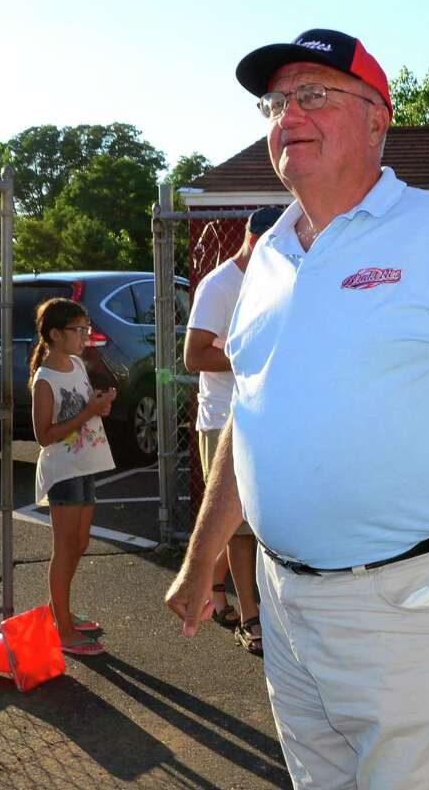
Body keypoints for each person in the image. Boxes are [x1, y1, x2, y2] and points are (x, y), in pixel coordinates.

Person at [165, 28, 429, 789]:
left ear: (376, 119)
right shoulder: (267, 259)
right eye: (277, 101)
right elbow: (249, 421)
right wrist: (203, 562)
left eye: (314, 95)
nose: (288, 114)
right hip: (286, 604)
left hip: (414, 606)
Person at [185, 207, 282, 656]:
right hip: (224, 418)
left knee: (257, 521)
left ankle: (217, 593)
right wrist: (253, 356)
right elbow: (194, 356)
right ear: (251, 237)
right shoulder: (220, 285)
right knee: (240, 526)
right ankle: (251, 618)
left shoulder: (279, 276)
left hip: (270, 417)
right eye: (271, 241)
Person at [30, 300, 116, 657]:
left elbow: (82, 410)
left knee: (79, 543)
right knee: (64, 548)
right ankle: (61, 628)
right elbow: (44, 435)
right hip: (63, 472)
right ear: (55, 334)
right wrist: (90, 412)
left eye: (86, 329)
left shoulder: (78, 365)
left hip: (85, 464)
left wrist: (99, 404)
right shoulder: (45, 379)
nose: (85, 336)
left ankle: (60, 612)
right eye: (78, 330)